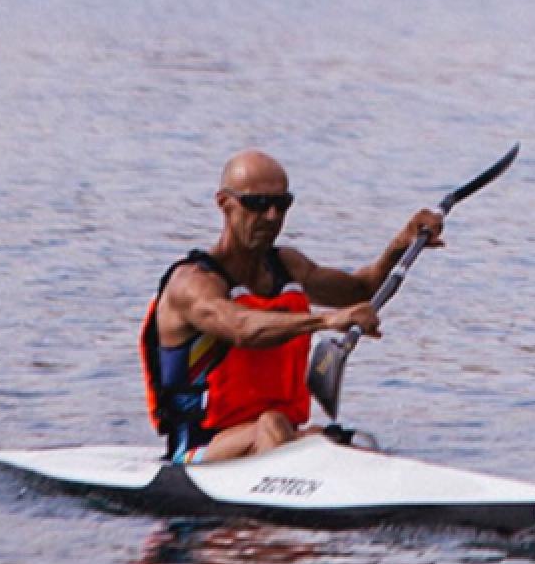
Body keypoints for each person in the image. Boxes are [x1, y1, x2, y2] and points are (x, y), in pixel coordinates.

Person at [139, 150, 444, 464]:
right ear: (224, 203)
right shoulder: (192, 283)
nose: (272, 216)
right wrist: (325, 321)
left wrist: (400, 245)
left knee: (353, 440)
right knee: (271, 425)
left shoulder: (287, 266)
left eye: (282, 204)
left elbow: (360, 290)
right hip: (198, 449)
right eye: (257, 204)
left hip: (278, 438)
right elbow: (241, 328)